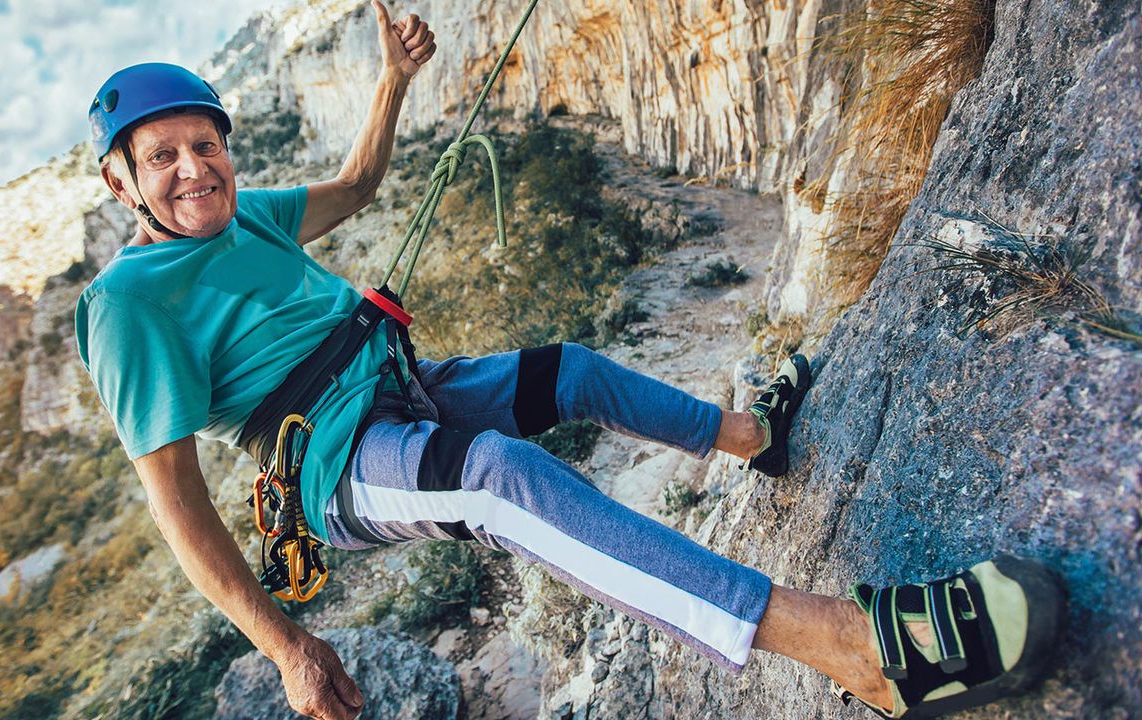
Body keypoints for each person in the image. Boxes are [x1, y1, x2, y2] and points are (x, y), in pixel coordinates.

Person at [76, 3, 1064, 719]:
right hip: (336, 468)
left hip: (394, 391)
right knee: (506, 480)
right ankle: (856, 651)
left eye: (202, 144)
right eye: (159, 157)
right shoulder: (127, 305)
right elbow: (175, 503)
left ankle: (749, 436)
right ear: (123, 181)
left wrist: (393, 82)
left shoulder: (249, 213)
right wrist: (286, 647)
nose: (191, 167)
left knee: (574, 371)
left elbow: (358, 183)